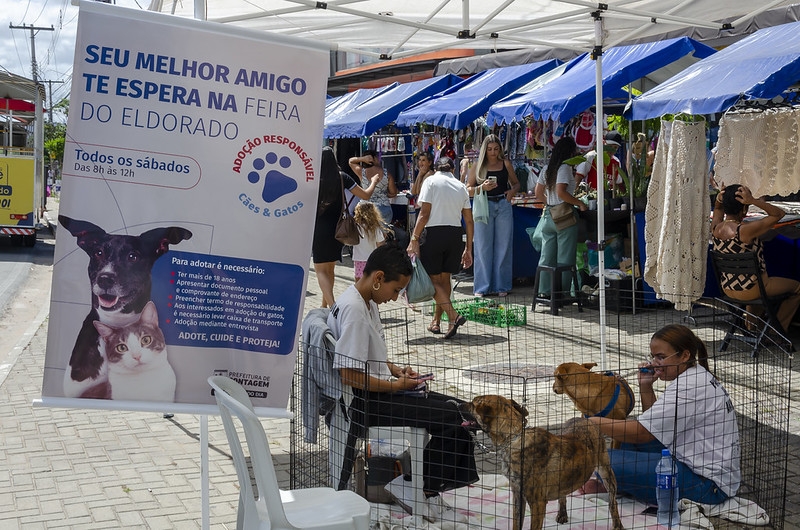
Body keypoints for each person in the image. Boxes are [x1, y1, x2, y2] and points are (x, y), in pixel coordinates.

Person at [327, 244, 479, 522]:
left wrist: (398, 372)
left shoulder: (362, 301)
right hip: (367, 404)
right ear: (379, 278)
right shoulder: (355, 312)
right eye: (396, 290)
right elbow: (348, 374)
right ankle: (417, 487)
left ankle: (423, 488)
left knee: (463, 412)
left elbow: (368, 356)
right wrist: (396, 387)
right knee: (458, 416)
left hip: (377, 393)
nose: (396, 298)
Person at [586, 324, 741, 506]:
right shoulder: (694, 375)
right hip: (693, 467)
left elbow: (643, 433)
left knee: (595, 458)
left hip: (707, 486)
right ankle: (620, 481)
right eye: (653, 357)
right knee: (625, 438)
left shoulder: (689, 386)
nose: (654, 363)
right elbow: (652, 425)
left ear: (684, 355)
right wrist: (645, 386)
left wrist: (590, 422)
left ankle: (618, 482)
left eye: (661, 357)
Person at [711, 184, 800, 332]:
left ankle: (751, 327)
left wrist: (721, 199)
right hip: (753, 289)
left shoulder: (715, 228)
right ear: (744, 209)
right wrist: (753, 201)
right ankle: (775, 332)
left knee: (754, 282)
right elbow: (778, 214)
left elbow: (718, 209)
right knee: (797, 288)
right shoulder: (744, 231)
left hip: (728, 288)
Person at [408, 157, 474, 339]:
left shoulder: (430, 181)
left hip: (434, 234)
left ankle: (453, 315)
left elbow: (424, 213)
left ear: (436, 168)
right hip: (454, 235)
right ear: (452, 169)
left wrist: (414, 237)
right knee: (444, 280)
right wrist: (468, 248)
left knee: (433, 281)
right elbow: (469, 220)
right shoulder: (460, 186)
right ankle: (438, 322)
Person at [313, 146, 381, 308]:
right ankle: (325, 307)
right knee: (330, 270)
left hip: (318, 229)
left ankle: (333, 307)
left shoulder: (314, 178)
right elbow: (366, 195)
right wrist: (373, 182)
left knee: (320, 271)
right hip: (338, 230)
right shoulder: (342, 177)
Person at [466, 134, 520, 297]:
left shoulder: (506, 163)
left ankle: (501, 286)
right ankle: (482, 287)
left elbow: (517, 183)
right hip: (484, 204)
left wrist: (511, 192)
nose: (493, 152)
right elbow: (468, 189)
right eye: (489, 149)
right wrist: (482, 187)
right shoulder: (477, 166)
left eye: (496, 149)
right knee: (483, 246)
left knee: (503, 245)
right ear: (484, 150)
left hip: (503, 204)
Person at [534, 136, 587, 298]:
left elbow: (538, 193)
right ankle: (562, 293)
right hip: (563, 217)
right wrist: (579, 203)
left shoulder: (547, 168)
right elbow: (561, 192)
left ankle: (544, 291)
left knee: (547, 257)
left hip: (548, 215)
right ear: (570, 152)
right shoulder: (564, 168)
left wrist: (550, 203)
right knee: (565, 257)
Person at [349, 150, 398, 224]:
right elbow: (393, 193)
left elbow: (351, 161)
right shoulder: (386, 174)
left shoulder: (361, 172)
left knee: (367, 234)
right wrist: (384, 194)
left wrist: (362, 159)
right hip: (383, 208)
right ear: (375, 158)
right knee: (382, 234)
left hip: (366, 209)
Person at [351, 201, 385, 282]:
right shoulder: (375, 229)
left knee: (359, 281)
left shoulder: (355, 227)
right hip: (372, 260)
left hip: (358, 259)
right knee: (371, 281)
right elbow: (381, 245)